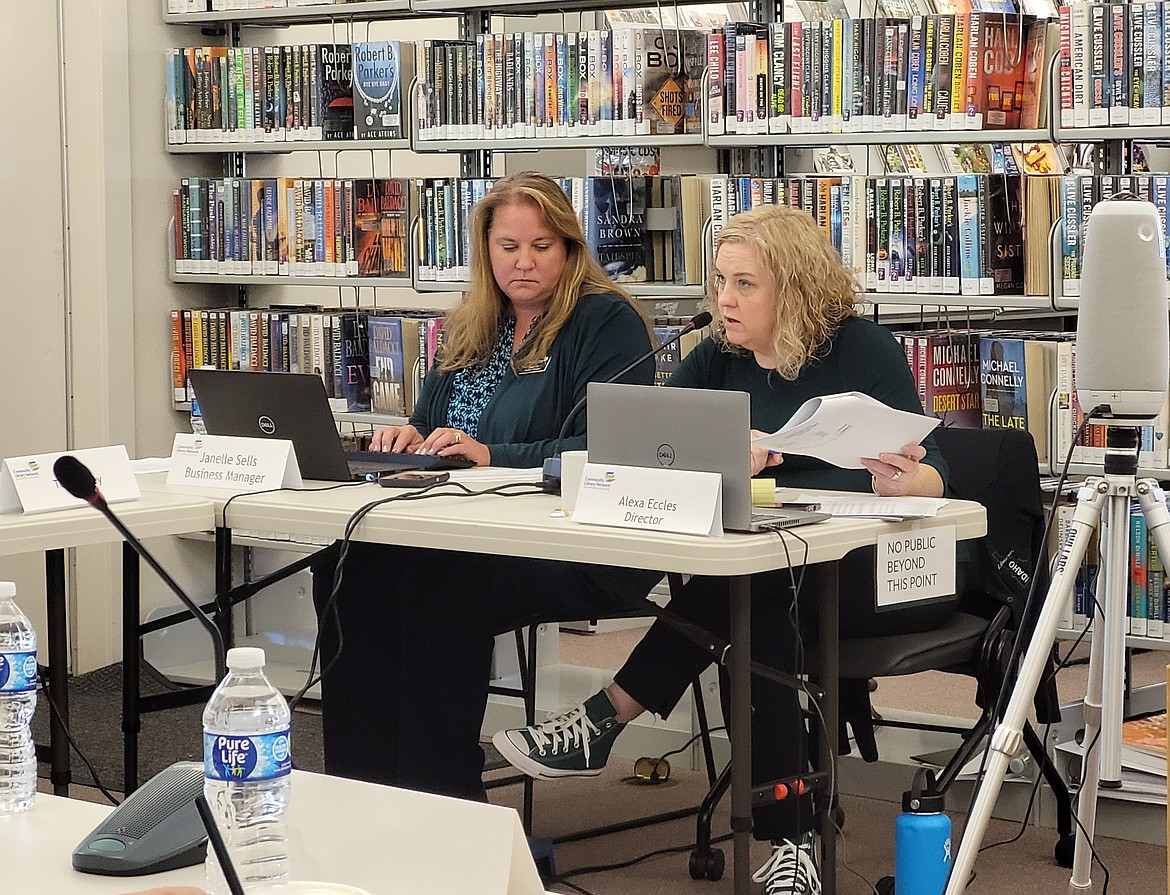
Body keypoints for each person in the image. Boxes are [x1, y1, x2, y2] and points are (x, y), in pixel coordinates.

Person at [493, 204, 968, 895]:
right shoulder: (716, 355)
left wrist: (904, 476)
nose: (724, 299)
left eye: (745, 284)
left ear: (795, 287)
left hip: (877, 575)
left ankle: (605, 719)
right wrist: (713, 458)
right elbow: (652, 443)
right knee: (753, 600)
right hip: (773, 576)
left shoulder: (860, 349)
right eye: (720, 281)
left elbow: (938, 470)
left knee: (748, 593)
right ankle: (793, 840)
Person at [311, 171, 663, 801]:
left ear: (570, 249)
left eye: (542, 246)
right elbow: (430, 430)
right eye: (508, 247)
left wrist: (491, 455)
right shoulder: (474, 323)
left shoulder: (605, 322)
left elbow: (610, 452)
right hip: (460, 528)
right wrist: (404, 441)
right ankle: (359, 788)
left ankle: (437, 793)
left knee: (437, 578)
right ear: (486, 251)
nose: (523, 263)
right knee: (345, 563)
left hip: (572, 543)